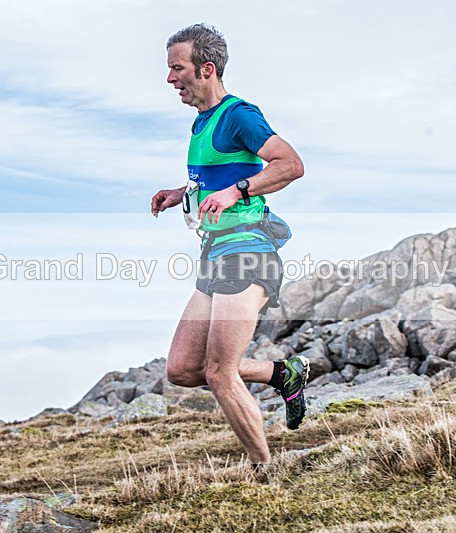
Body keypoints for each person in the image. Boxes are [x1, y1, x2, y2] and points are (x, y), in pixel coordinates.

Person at [150, 23, 307, 467]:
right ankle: (283, 374)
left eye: (176, 69)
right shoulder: (202, 123)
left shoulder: (239, 115)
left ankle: (264, 473)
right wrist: (184, 192)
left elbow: (290, 165)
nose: (169, 79)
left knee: (219, 373)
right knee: (182, 370)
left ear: (207, 68)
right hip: (215, 254)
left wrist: (239, 190)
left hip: (249, 252)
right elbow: (216, 175)